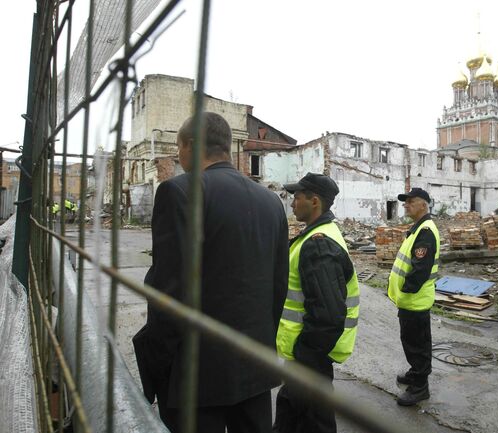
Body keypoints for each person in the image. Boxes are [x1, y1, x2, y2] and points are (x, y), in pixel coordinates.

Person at [132, 112, 289, 433]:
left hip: (197, 381)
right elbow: (278, 287)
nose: (177, 156)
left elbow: (168, 292)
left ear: (190, 144)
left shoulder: (179, 192)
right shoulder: (271, 202)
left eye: (178, 147)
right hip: (254, 370)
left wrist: (159, 368)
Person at [274, 173, 360, 433]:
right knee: (292, 412)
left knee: (314, 422)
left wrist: (305, 356)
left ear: (314, 201)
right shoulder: (316, 235)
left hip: (309, 356)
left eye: (296, 197)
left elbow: (328, 314)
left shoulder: (318, 244)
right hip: (304, 354)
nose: (292, 203)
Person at [387, 187, 440, 406]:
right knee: (411, 341)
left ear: (424, 205)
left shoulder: (425, 231)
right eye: (405, 202)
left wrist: (406, 289)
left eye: (411, 201)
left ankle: (420, 387)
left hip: (415, 300)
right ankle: (415, 373)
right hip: (409, 300)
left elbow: (420, 269)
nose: (406, 205)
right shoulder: (418, 228)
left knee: (417, 344)